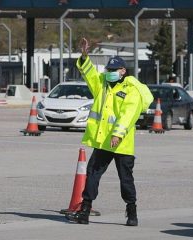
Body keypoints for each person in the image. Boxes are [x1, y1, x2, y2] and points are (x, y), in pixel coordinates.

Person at [65, 38, 153, 226]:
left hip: (122, 143)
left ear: (123, 71)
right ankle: (85, 210)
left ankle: (131, 212)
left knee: (125, 179)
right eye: (108, 70)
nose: (109, 73)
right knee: (92, 174)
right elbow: (88, 74)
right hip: (103, 141)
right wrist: (84, 56)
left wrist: (117, 134)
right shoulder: (102, 85)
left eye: (113, 70)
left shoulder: (132, 90)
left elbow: (128, 115)